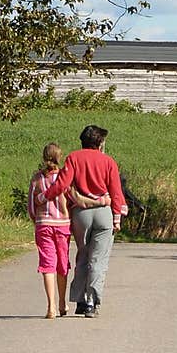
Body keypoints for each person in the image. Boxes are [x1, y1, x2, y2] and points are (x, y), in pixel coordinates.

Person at [41, 124, 126, 317]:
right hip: (103, 212)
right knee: (98, 260)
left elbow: (62, 184)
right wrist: (117, 217)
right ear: (100, 142)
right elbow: (116, 192)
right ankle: (91, 302)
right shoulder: (108, 161)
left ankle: (79, 299)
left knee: (83, 255)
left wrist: (45, 196)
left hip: (81, 213)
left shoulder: (73, 158)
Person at [27, 143, 72, 318]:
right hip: (62, 224)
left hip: (43, 224)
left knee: (47, 264)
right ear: (59, 157)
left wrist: (36, 219)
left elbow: (31, 207)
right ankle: (62, 302)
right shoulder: (64, 178)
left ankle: (51, 306)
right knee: (62, 264)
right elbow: (71, 199)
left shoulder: (37, 178)